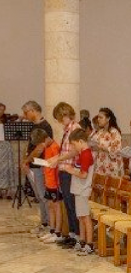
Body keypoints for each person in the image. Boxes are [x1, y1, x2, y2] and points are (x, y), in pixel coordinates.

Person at [47, 102, 81, 248]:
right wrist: (56, 160)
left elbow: (75, 152)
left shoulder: (75, 128)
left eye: (60, 118)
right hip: (64, 170)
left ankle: (78, 236)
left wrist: (58, 159)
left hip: (70, 170)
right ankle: (72, 234)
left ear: (65, 114)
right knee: (67, 203)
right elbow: (65, 151)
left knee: (72, 204)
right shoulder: (67, 129)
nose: (60, 121)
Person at [60, 129, 95, 256]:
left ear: (81, 141)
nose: (73, 147)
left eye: (74, 144)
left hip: (83, 189)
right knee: (80, 217)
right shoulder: (82, 153)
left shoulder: (86, 154)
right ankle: (82, 240)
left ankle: (89, 244)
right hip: (78, 189)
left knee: (85, 217)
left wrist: (70, 170)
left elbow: (84, 175)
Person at [22, 101, 54, 235]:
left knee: (43, 196)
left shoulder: (45, 126)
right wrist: (26, 160)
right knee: (39, 196)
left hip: (40, 165)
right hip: (33, 164)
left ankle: (49, 226)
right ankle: (44, 223)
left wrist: (27, 160)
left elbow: (40, 148)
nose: (25, 115)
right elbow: (31, 146)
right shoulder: (34, 126)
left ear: (33, 110)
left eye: (26, 112)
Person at [30, 128, 63, 244]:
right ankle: (52, 230)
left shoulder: (55, 147)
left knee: (56, 207)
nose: (41, 147)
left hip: (55, 183)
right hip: (48, 182)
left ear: (45, 139)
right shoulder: (47, 147)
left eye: (41, 144)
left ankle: (58, 232)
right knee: (50, 206)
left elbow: (57, 165)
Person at [91, 107, 123, 176]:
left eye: (101, 117)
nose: (98, 119)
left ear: (108, 119)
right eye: (98, 117)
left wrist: (101, 147)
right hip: (101, 165)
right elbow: (93, 144)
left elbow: (116, 150)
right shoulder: (100, 132)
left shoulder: (114, 132)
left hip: (111, 167)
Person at [0, 103, 16, 199]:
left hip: (5, 145)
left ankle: (8, 191)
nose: (1, 112)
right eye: (0, 109)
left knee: (7, 168)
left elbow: (16, 117)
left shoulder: (6, 119)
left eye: (3, 110)